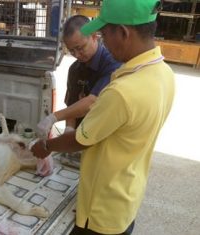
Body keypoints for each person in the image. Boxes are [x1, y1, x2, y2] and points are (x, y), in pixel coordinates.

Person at [31, 0, 175, 234]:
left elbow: (81, 139)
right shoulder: (163, 74)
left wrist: (47, 145)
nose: (104, 40)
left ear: (123, 32)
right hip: (126, 194)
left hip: (102, 208)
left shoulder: (122, 91)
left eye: (104, 33)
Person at [37, 15, 121, 139]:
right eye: (71, 51)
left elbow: (92, 101)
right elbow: (72, 105)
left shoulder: (112, 63)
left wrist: (54, 117)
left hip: (105, 136)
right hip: (82, 136)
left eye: (80, 48)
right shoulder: (74, 69)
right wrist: (69, 130)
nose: (77, 55)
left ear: (94, 37)